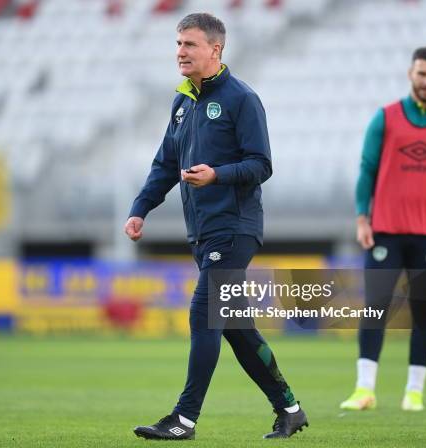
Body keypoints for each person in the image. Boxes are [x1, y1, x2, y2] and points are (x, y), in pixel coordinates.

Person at [124, 13, 307, 440]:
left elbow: (262, 164)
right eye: (178, 44)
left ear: (215, 49)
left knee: (204, 312)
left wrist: (217, 175)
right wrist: (140, 208)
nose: (180, 52)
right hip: (204, 231)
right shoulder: (183, 102)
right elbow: (165, 163)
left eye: (189, 44)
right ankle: (290, 409)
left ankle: (183, 419)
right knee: (239, 330)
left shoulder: (242, 98)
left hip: (235, 227)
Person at [341, 46, 426, 412]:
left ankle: (414, 392)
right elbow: (366, 169)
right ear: (411, 73)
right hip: (385, 231)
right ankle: (364, 390)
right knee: (375, 308)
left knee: (424, 312)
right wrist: (363, 217)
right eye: (422, 74)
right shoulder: (386, 118)